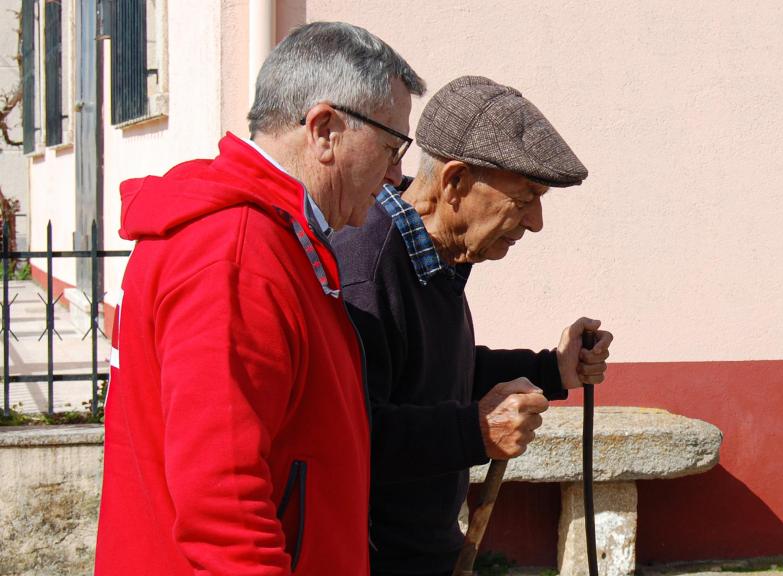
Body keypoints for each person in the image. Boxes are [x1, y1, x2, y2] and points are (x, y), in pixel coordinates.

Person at [94, 22, 424, 575]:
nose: (397, 175)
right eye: (392, 148)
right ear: (325, 130)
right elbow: (225, 512)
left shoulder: (270, 235)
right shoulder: (236, 256)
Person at [331, 76, 614, 576]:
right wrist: (474, 430)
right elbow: (350, 437)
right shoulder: (368, 265)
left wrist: (552, 369)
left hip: (427, 552)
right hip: (376, 560)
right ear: (455, 181)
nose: (536, 222)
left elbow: (434, 371)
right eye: (525, 197)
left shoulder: (434, 259)